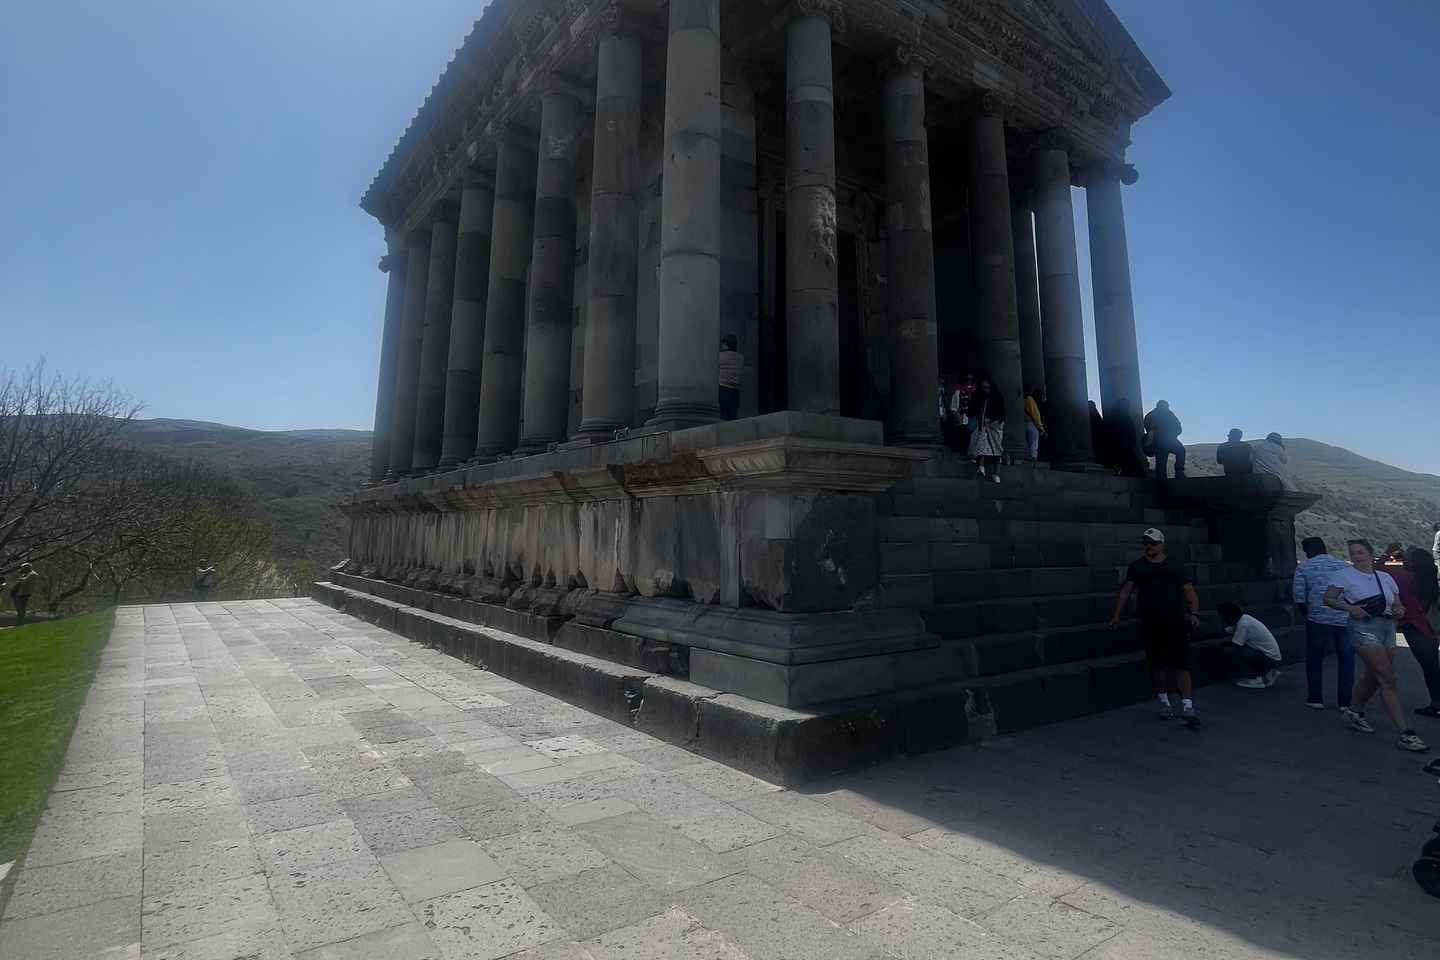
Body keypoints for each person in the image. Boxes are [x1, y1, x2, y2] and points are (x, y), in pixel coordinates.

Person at [1323, 539, 1428, 752]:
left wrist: (1399, 610)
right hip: (1363, 626)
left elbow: (1396, 602)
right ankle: (1405, 733)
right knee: (1387, 678)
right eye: (1353, 553)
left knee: (1374, 674)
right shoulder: (1344, 575)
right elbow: (1329, 598)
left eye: (1360, 552)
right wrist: (1349, 608)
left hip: (1387, 627)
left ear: (1371, 554)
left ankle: (1354, 711)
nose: (1356, 556)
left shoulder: (1385, 577)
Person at [1109, 528, 1202, 726]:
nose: (1149, 547)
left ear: (1162, 544)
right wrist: (1117, 614)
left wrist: (1194, 613)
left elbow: (1189, 591)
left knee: (1181, 664)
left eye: (1153, 543)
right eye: (1146, 543)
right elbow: (1126, 590)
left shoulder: (1175, 566)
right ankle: (1165, 702)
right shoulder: (1137, 567)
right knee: (1157, 665)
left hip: (1175, 621)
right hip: (1151, 622)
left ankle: (1187, 706)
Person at [1293, 537, 1354, 710]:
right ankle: (1345, 702)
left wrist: (1307, 614)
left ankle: (1315, 698)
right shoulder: (1344, 566)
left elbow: (1299, 596)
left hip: (1317, 618)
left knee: (1314, 658)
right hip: (1343, 618)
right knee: (1346, 659)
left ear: (1308, 551)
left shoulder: (1304, 567)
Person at [1392, 547, 1440, 718]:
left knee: (1430, 668)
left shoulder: (1404, 578)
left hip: (1413, 627)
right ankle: (1436, 703)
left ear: (1411, 562)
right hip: (1430, 628)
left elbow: (1379, 572)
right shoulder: (1429, 579)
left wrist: (1387, 554)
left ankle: (1436, 704)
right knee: (1433, 667)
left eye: (1405, 558)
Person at [1218, 602, 1283, 688]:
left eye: (1223, 618)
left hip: (1270, 659)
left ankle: (1261, 678)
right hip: (1272, 657)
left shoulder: (1244, 624)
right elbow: (1225, 632)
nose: (1223, 620)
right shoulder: (1243, 619)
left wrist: (1223, 644)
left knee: (1236, 651)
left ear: (1231, 617)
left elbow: (1236, 645)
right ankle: (1269, 673)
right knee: (1238, 649)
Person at [966, 377, 1005, 482]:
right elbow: (973, 410)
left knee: (997, 449)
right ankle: (981, 467)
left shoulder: (997, 397)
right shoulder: (980, 398)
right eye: (983, 387)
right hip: (983, 425)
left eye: (987, 387)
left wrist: (995, 421)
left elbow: (1001, 413)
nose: (985, 390)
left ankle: (996, 474)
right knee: (982, 445)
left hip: (996, 425)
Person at [1142, 400, 1185, 483]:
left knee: (1161, 465)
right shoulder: (1169, 414)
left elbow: (1148, 429)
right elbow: (1179, 428)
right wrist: (1171, 435)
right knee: (1181, 451)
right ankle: (1179, 473)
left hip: (1158, 443)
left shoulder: (1150, 415)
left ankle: (1162, 485)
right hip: (1168, 441)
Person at [1107, 398, 1146, 478]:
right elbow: (1129, 430)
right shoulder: (1122, 415)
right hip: (1122, 442)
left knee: (1127, 460)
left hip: (1122, 442)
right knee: (1129, 459)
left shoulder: (1117, 415)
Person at [717, 335, 742, 421]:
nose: (721, 345)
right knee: (733, 417)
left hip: (723, 388)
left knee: (723, 416)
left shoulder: (720, 356)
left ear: (726, 344)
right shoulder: (740, 357)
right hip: (735, 390)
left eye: (723, 343)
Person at [950, 374, 976, 455]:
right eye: (967, 379)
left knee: (971, 434)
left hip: (972, 416)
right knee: (961, 433)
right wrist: (955, 412)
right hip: (961, 414)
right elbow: (954, 404)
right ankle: (960, 450)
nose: (968, 381)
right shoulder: (958, 390)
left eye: (970, 379)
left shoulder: (975, 391)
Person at [1023, 387, 1046, 461]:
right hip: (1031, 423)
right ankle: (1033, 459)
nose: (1043, 399)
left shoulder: (1025, 399)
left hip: (1025, 423)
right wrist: (1042, 430)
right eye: (1042, 396)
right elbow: (1035, 416)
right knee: (1033, 444)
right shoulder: (1030, 400)